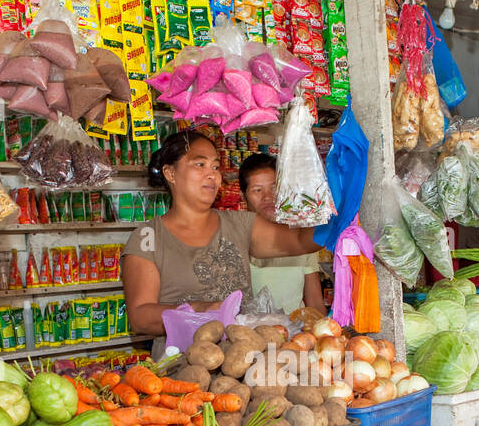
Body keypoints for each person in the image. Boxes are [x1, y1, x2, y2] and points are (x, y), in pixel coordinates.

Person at [122, 130, 319, 338]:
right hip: (182, 362)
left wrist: (340, 207)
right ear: (170, 173)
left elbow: (299, 240)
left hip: (242, 355)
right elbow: (140, 316)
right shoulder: (148, 237)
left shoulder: (240, 224)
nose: (212, 174)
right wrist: (200, 311)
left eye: (215, 166)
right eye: (200, 165)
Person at [238, 153, 326, 315]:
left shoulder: (301, 236)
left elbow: (314, 302)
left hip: (295, 334)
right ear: (243, 197)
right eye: (258, 190)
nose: (268, 197)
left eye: (273, 188)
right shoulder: (237, 238)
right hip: (250, 335)